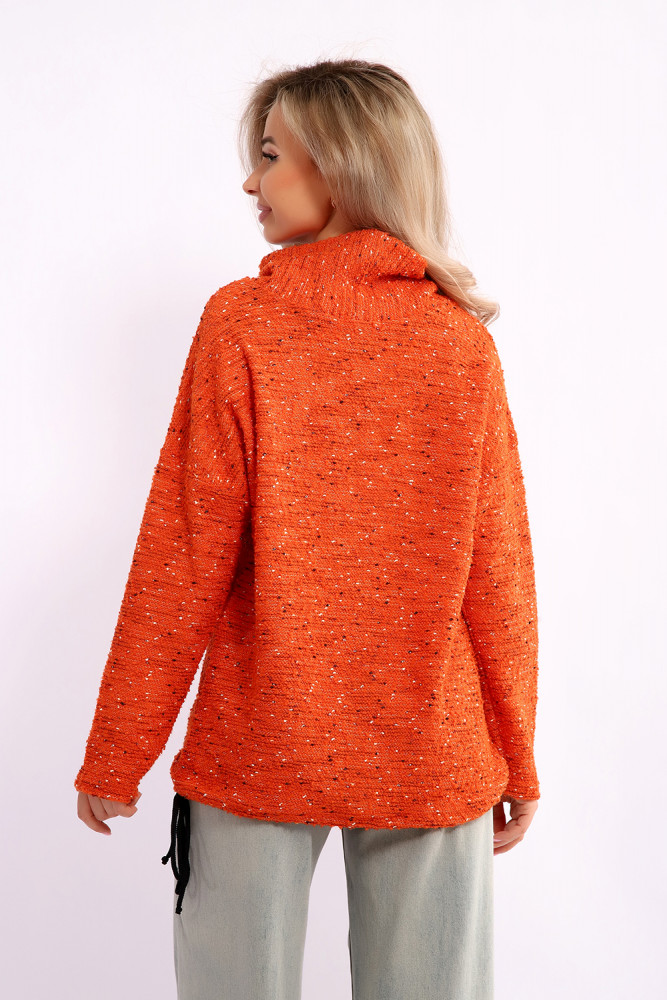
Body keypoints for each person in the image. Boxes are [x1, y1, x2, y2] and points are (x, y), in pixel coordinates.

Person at [75, 58, 540, 1000]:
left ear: (341, 164)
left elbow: (184, 554)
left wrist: (119, 749)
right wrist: (516, 754)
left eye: (269, 156)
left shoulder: (243, 323)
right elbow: (501, 575)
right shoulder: (458, 342)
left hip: (259, 741)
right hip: (429, 746)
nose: (249, 182)